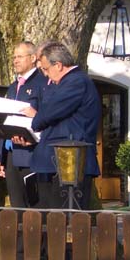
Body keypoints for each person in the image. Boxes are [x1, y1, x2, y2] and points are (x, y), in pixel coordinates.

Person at [22, 41, 101, 209]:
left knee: (65, 216)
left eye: (46, 69)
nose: (45, 74)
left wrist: (36, 119)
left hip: (70, 162)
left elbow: (50, 112)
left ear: (58, 65)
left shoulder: (76, 81)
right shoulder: (66, 82)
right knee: (47, 215)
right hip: (55, 161)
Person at [0, 42, 47, 207]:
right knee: (17, 207)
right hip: (11, 154)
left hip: (31, 153)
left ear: (32, 58)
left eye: (19, 57)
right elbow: (6, 119)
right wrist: (1, 157)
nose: (15, 61)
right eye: (14, 57)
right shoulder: (13, 87)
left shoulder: (42, 83)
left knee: (34, 207)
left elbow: (48, 117)